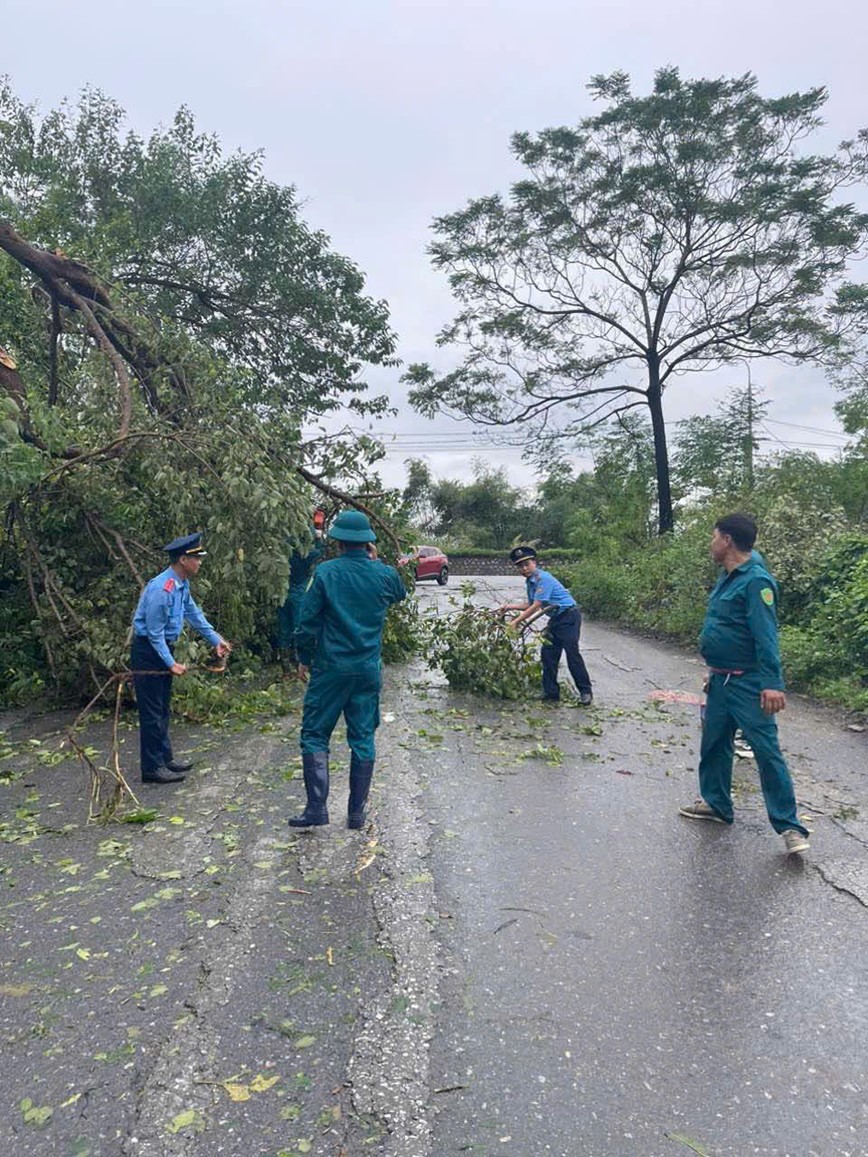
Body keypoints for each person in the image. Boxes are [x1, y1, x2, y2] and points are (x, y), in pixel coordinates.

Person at [679, 513, 811, 855]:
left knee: (766, 752)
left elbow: (766, 637)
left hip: (749, 684)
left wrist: (772, 684)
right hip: (720, 680)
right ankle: (717, 805)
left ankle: (790, 827)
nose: (711, 543)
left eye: (713, 537)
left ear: (726, 541)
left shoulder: (756, 583)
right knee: (714, 744)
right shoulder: (729, 574)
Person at [288, 509, 405, 829]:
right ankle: (356, 813)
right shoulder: (384, 574)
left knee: (314, 734)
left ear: (337, 541)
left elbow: (306, 623)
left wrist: (304, 659)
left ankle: (316, 809)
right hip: (367, 669)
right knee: (363, 737)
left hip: (330, 669)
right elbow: (400, 592)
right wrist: (376, 561)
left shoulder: (326, 573)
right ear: (367, 543)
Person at [131, 533, 231, 785]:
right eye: (196, 558)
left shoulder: (181, 584)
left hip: (163, 650)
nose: (200, 563)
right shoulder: (161, 589)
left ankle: (165, 759)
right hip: (149, 653)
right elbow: (154, 634)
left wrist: (216, 639)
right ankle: (151, 768)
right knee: (152, 712)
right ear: (183, 559)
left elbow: (194, 614)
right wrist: (170, 663)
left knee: (163, 709)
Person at [498, 546, 593, 706]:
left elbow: (537, 605)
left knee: (572, 654)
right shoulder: (531, 582)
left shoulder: (544, 579)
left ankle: (585, 692)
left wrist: (516, 622)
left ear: (534, 562)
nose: (524, 568)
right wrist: (509, 607)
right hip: (555, 619)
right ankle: (551, 694)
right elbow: (529, 603)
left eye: (527, 564)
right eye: (520, 566)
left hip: (569, 616)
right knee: (548, 655)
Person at [275, 512, 325, 673]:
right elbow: (319, 552)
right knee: (299, 627)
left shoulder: (284, 551)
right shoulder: (307, 554)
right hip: (299, 595)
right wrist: (319, 537)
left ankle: (285, 668)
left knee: (284, 628)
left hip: (282, 592)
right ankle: (300, 665)